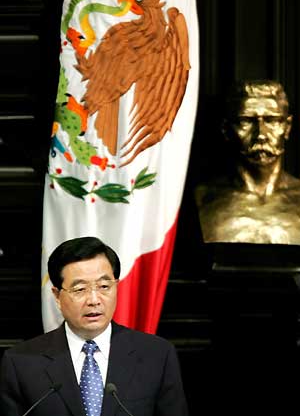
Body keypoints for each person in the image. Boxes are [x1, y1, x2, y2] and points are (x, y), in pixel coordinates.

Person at [0, 236, 189, 416]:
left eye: (104, 287)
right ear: (57, 296)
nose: (94, 300)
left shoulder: (157, 355)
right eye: (80, 289)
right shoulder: (21, 363)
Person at [194, 79, 300, 244]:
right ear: (226, 129)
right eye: (246, 121)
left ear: (287, 127)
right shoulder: (200, 199)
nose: (261, 134)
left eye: (272, 121)